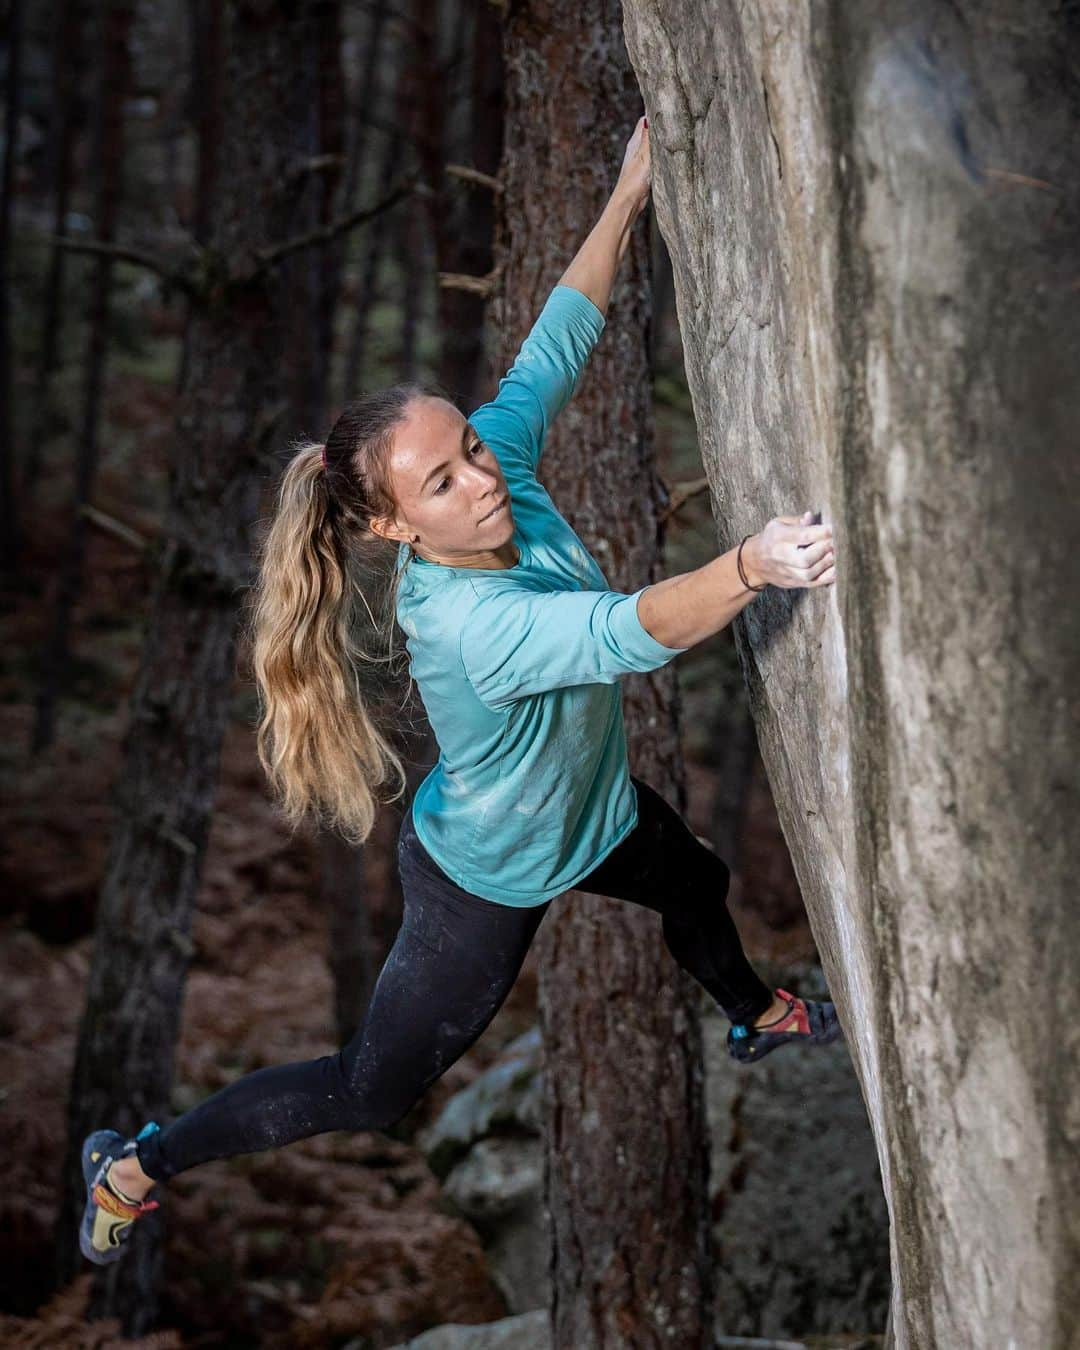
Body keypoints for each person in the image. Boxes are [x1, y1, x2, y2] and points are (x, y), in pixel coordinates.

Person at [79, 115, 841, 1266]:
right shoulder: (468, 623)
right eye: (444, 478)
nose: (481, 478)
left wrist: (631, 193)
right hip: (484, 876)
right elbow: (627, 631)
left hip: (589, 814)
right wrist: (753, 563)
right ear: (392, 525)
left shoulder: (499, 469)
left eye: (473, 452)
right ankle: (136, 1165)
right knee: (371, 1088)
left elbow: (553, 345)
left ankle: (754, 1013)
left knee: (697, 884)